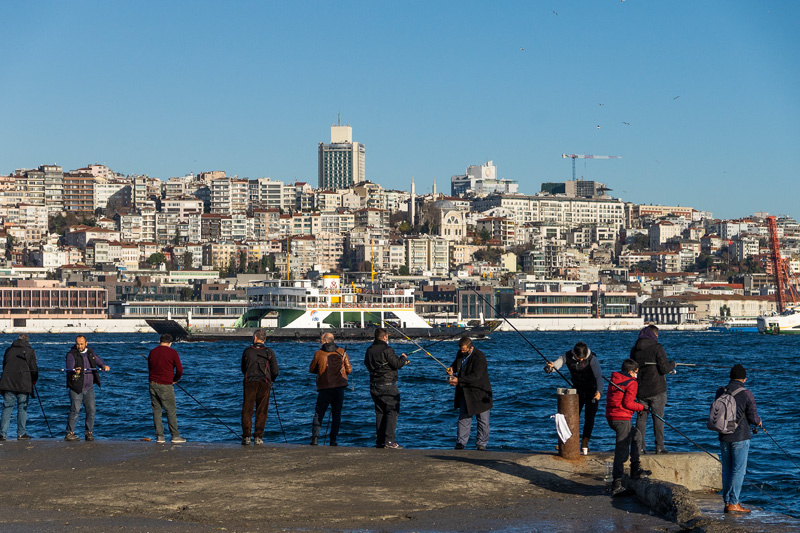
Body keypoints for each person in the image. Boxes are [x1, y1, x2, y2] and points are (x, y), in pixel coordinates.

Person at [716, 364, 761, 514]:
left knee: (727, 469)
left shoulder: (720, 391)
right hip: (740, 436)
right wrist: (759, 421)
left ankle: (727, 501)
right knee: (738, 470)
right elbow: (753, 418)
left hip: (723, 435)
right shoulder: (746, 394)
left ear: (730, 377)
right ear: (744, 379)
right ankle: (734, 502)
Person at [545, 341, 603, 454]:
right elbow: (555, 366)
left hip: (592, 390)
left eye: (583, 358)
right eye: (578, 358)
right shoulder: (566, 356)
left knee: (589, 418)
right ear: (574, 354)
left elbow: (599, 376)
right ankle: (566, 441)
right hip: (577, 391)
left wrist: (599, 391)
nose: (581, 360)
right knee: (571, 416)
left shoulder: (592, 358)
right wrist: (549, 368)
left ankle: (585, 442)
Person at [606, 358, 651, 496]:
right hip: (621, 418)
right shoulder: (632, 383)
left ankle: (635, 469)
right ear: (631, 372)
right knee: (621, 450)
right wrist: (642, 407)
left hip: (611, 416)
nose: (636, 375)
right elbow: (628, 403)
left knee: (636, 435)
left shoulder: (615, 379)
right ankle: (617, 484)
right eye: (636, 372)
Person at [629, 324, 676, 454]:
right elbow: (664, 369)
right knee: (658, 419)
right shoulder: (657, 347)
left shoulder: (634, 349)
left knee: (641, 419)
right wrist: (673, 364)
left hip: (640, 390)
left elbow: (631, 369)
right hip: (657, 389)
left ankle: (640, 447)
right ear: (654, 335)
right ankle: (660, 447)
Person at [364, 327, 409, 449]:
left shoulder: (369, 350)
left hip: (374, 385)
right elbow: (397, 364)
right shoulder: (387, 349)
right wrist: (404, 358)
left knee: (380, 413)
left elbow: (366, 364)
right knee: (391, 412)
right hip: (388, 386)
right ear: (385, 337)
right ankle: (389, 441)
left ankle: (380, 441)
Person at [447, 336, 492, 451]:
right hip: (465, 392)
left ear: (470, 348)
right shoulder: (460, 353)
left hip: (480, 393)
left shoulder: (479, 356)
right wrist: (452, 369)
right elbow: (456, 365)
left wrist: (459, 380)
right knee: (463, 418)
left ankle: (481, 444)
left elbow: (476, 376)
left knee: (482, 420)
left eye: (463, 350)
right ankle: (461, 443)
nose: (461, 352)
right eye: (460, 350)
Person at [309, 332, 352, 446]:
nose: (320, 342)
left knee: (319, 413)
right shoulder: (342, 352)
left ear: (326, 341)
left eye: (321, 340)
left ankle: (315, 438)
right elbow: (349, 369)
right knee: (336, 415)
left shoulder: (318, 354)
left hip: (324, 387)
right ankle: (333, 439)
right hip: (338, 388)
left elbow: (312, 369)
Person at [65, 335, 109, 442]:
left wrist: (103, 366)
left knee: (91, 410)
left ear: (86, 343)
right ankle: (69, 433)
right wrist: (74, 370)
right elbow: (69, 367)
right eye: (77, 344)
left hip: (89, 387)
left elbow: (98, 361)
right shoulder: (71, 354)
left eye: (81, 344)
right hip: (76, 387)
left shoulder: (90, 352)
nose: (79, 346)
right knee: (75, 410)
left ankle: (89, 433)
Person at [241, 329, 278, 446]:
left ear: (255, 338)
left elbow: (243, 368)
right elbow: (275, 371)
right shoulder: (269, 352)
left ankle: (246, 436)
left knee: (247, 410)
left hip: (250, 382)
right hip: (264, 382)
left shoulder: (247, 351)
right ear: (264, 339)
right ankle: (258, 437)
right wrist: (271, 380)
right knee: (262, 411)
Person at [147, 333, 185, 444]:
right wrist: (175, 379)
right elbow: (179, 370)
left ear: (160, 341)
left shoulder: (152, 352)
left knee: (156, 411)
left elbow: (150, 367)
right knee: (171, 411)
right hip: (166, 385)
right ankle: (175, 436)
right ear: (170, 343)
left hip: (153, 384)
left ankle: (160, 437)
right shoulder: (173, 353)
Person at [0, 334, 38, 441]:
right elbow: (34, 369)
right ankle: (21, 433)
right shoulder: (30, 351)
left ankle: (2, 433)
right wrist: (34, 379)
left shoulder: (8, 350)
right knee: (22, 408)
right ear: (27, 341)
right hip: (23, 383)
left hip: (8, 382)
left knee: (7, 408)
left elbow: (4, 365)